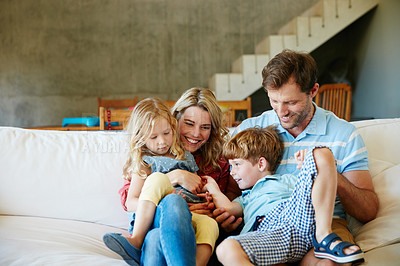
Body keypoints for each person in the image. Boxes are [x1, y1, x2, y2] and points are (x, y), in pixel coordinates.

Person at [222, 49, 378, 265]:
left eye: (291, 102)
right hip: (271, 225)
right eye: (274, 101)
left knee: (329, 262)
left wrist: (326, 172)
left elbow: (368, 209)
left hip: (326, 224)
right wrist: (232, 218)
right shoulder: (252, 129)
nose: (281, 111)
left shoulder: (343, 134)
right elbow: (232, 190)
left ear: (313, 91)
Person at [105, 88, 241, 266]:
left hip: (196, 226)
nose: (195, 134)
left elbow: (229, 201)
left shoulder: (216, 161)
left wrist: (217, 213)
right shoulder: (148, 156)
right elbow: (129, 199)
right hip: (158, 218)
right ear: (175, 120)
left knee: (205, 226)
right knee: (159, 227)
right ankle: (139, 240)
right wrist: (175, 177)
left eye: (205, 127)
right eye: (189, 123)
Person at [203, 126, 364, 265]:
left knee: (321, 153)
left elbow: (316, 193)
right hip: (269, 235)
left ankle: (324, 236)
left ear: (261, 164)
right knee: (226, 249)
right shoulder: (247, 197)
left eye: (237, 164)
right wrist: (212, 187)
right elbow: (227, 208)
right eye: (231, 166)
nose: (232, 172)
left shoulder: (286, 180)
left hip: (299, 219)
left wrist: (309, 166)